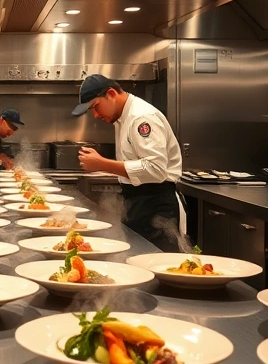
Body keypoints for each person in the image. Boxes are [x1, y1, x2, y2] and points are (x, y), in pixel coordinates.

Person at [71, 74, 184, 252]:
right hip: (139, 203)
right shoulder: (123, 118)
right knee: (137, 259)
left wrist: (102, 164)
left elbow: (156, 169)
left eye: (95, 106)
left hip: (156, 208)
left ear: (111, 94)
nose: (95, 115)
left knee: (158, 262)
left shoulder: (141, 117)